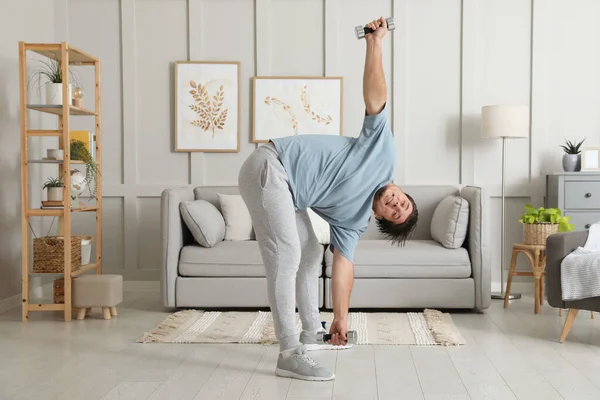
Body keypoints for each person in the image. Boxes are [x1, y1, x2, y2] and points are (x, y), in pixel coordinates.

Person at [238, 16, 418, 381]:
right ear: (400, 189)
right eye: (404, 201)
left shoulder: (353, 221)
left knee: (308, 252)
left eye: (396, 213)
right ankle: (289, 352)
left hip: (287, 191)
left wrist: (341, 317)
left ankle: (309, 331)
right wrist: (375, 43)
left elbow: (344, 268)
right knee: (286, 254)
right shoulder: (382, 156)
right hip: (270, 167)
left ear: (383, 219)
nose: (397, 205)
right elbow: (376, 98)